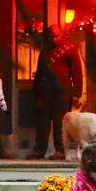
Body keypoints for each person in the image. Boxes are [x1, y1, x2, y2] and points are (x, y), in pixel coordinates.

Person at [30, 27, 83, 159]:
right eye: (51, 37)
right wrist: (35, 91)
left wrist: (77, 93)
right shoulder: (45, 51)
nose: (53, 39)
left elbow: (77, 72)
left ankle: (60, 151)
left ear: (62, 35)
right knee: (42, 122)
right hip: (44, 92)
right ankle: (39, 150)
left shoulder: (70, 49)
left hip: (62, 93)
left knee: (60, 123)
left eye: (56, 36)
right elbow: (39, 72)